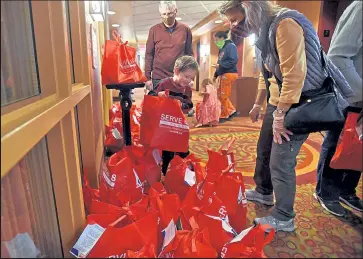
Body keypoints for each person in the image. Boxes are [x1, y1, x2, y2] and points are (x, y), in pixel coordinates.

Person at [218, 0, 354, 232]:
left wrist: (281, 114)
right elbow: (267, 71)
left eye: (234, 19)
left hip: (301, 102)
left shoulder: (285, 24)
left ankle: (284, 216)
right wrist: (258, 104)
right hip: (279, 99)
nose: (233, 26)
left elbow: (294, 75)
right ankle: (263, 192)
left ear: (249, 7)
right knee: (265, 150)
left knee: (281, 160)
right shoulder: (264, 29)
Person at [315, 1, 362, 216]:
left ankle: (347, 189)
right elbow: (337, 57)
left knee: (359, 145)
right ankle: (327, 192)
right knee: (337, 142)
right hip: (352, 94)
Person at [149, 55, 199, 175]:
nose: (188, 80)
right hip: (165, 127)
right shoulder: (164, 84)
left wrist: (181, 105)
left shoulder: (187, 90)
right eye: (186, 76)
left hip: (180, 126)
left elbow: (189, 105)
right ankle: (167, 175)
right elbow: (150, 98)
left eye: (191, 78)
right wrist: (159, 96)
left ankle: (183, 174)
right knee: (168, 153)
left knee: (183, 151)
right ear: (176, 71)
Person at [145, 1, 193, 91]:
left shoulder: (185, 29)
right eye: (164, 14)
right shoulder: (154, 30)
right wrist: (147, 78)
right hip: (158, 77)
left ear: (176, 11)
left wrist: (190, 77)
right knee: (159, 104)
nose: (167, 17)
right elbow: (149, 55)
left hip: (179, 77)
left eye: (169, 13)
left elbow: (189, 54)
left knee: (178, 104)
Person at [213, 30, 239, 123]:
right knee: (219, 95)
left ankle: (226, 114)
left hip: (229, 73)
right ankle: (230, 111)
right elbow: (219, 63)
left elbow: (233, 61)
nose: (216, 42)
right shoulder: (222, 48)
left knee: (223, 95)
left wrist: (221, 66)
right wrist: (215, 75)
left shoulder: (230, 46)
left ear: (222, 38)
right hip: (222, 73)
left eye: (216, 40)